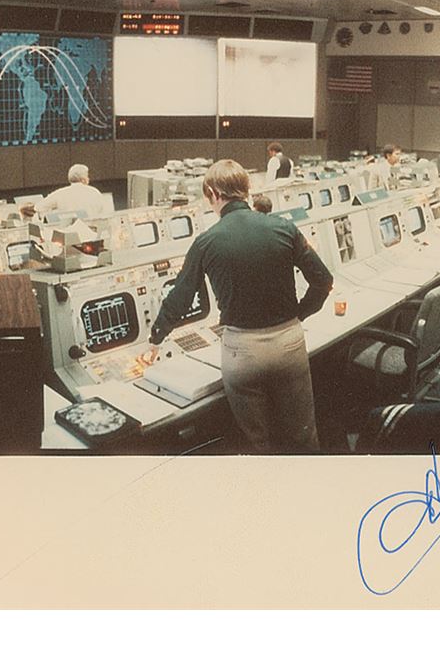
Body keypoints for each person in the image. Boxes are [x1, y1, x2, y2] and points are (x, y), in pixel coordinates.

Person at [148, 160, 333, 454]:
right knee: (303, 436)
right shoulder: (284, 227)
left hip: (242, 352)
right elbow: (323, 280)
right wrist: (299, 314)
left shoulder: (206, 241)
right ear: (246, 190)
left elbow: (180, 298)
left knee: (257, 443)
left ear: (212, 193)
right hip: (289, 342)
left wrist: (156, 337)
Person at [25, 163, 110, 220]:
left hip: (69, 236)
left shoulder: (60, 193)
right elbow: (106, 214)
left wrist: (53, 216)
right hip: (93, 235)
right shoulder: (95, 192)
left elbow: (38, 207)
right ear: (83, 179)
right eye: (87, 176)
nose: (89, 179)